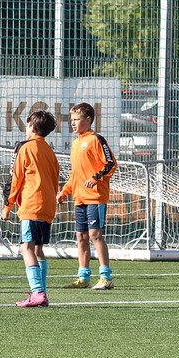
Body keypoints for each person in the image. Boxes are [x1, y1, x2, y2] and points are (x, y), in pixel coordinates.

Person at [2, 110, 60, 307]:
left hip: (32, 204)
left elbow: (16, 179)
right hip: (47, 206)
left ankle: (37, 292)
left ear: (32, 128)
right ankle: (41, 293)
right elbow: (54, 179)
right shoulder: (50, 151)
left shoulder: (25, 149)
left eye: (27, 126)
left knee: (26, 247)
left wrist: (7, 206)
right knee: (38, 249)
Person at [57, 102, 117, 290]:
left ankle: (106, 277)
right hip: (79, 198)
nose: (72, 123)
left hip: (95, 197)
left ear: (88, 119)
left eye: (76, 119)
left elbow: (111, 164)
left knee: (95, 235)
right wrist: (65, 191)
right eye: (71, 120)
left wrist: (95, 178)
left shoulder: (96, 139)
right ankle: (84, 278)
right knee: (81, 238)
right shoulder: (76, 143)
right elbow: (75, 174)